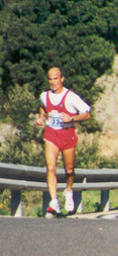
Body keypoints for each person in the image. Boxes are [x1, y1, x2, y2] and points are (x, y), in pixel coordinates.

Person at [35, 67, 91, 217]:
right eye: (50, 79)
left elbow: (86, 114)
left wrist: (72, 118)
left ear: (62, 79)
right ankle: (54, 201)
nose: (53, 82)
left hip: (67, 136)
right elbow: (42, 106)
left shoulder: (71, 97)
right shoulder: (44, 96)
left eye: (55, 79)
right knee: (51, 167)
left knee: (69, 170)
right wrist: (41, 117)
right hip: (51, 134)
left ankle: (68, 191)